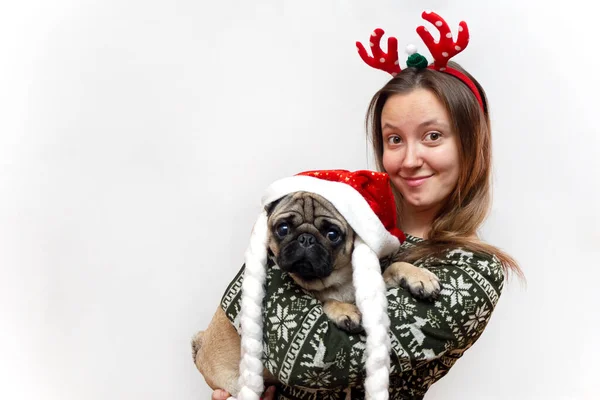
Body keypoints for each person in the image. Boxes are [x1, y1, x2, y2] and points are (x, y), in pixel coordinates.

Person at [210, 12, 523, 399]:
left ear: (471, 144)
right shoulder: (349, 211)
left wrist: (263, 286)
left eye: (432, 135)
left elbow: (313, 358)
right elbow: (236, 306)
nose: (409, 159)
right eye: (394, 139)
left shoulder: (471, 272)